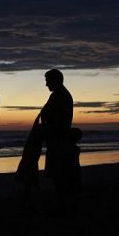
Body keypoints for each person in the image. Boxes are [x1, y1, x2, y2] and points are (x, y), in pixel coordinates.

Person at [40, 69, 74, 211]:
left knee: (59, 175)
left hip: (58, 139)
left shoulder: (59, 95)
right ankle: (62, 204)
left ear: (55, 80)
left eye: (48, 81)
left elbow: (48, 115)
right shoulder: (61, 95)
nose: (46, 84)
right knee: (60, 175)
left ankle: (62, 205)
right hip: (58, 138)